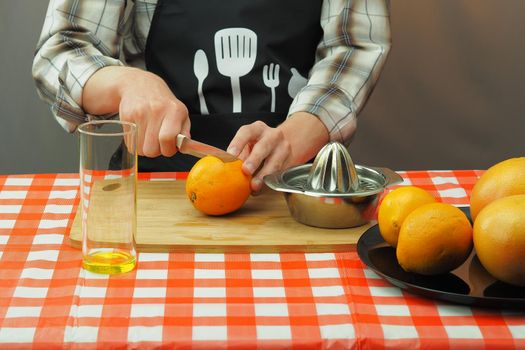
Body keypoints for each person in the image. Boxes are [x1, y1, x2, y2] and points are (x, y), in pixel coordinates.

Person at [32, 0, 391, 193]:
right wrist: (126, 83)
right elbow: (63, 47)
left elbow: (355, 44)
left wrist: (299, 132)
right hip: (155, 186)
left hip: (295, 187)